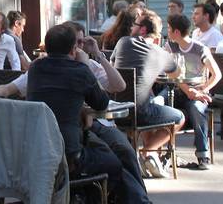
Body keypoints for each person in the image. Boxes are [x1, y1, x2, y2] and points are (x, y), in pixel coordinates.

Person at [27, 24, 150, 203]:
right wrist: (84, 64)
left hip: (39, 150)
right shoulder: (81, 70)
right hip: (69, 155)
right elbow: (101, 103)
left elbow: (118, 86)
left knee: (115, 149)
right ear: (73, 49)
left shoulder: (35, 69)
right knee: (114, 163)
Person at [111, 9, 185, 179]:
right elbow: (176, 73)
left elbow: (113, 65)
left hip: (118, 110)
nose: (131, 27)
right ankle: (147, 152)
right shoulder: (160, 53)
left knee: (150, 102)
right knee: (179, 117)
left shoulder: (123, 42)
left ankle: (149, 156)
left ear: (143, 30)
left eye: (135, 24)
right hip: (141, 112)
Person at [163, 14, 222, 170]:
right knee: (156, 103)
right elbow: (170, 74)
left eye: (169, 28)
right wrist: (189, 91)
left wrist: (203, 89)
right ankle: (159, 152)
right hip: (174, 89)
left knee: (196, 109)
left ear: (176, 32)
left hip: (195, 91)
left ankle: (203, 154)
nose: (167, 31)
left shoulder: (200, 49)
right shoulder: (169, 46)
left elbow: (217, 74)